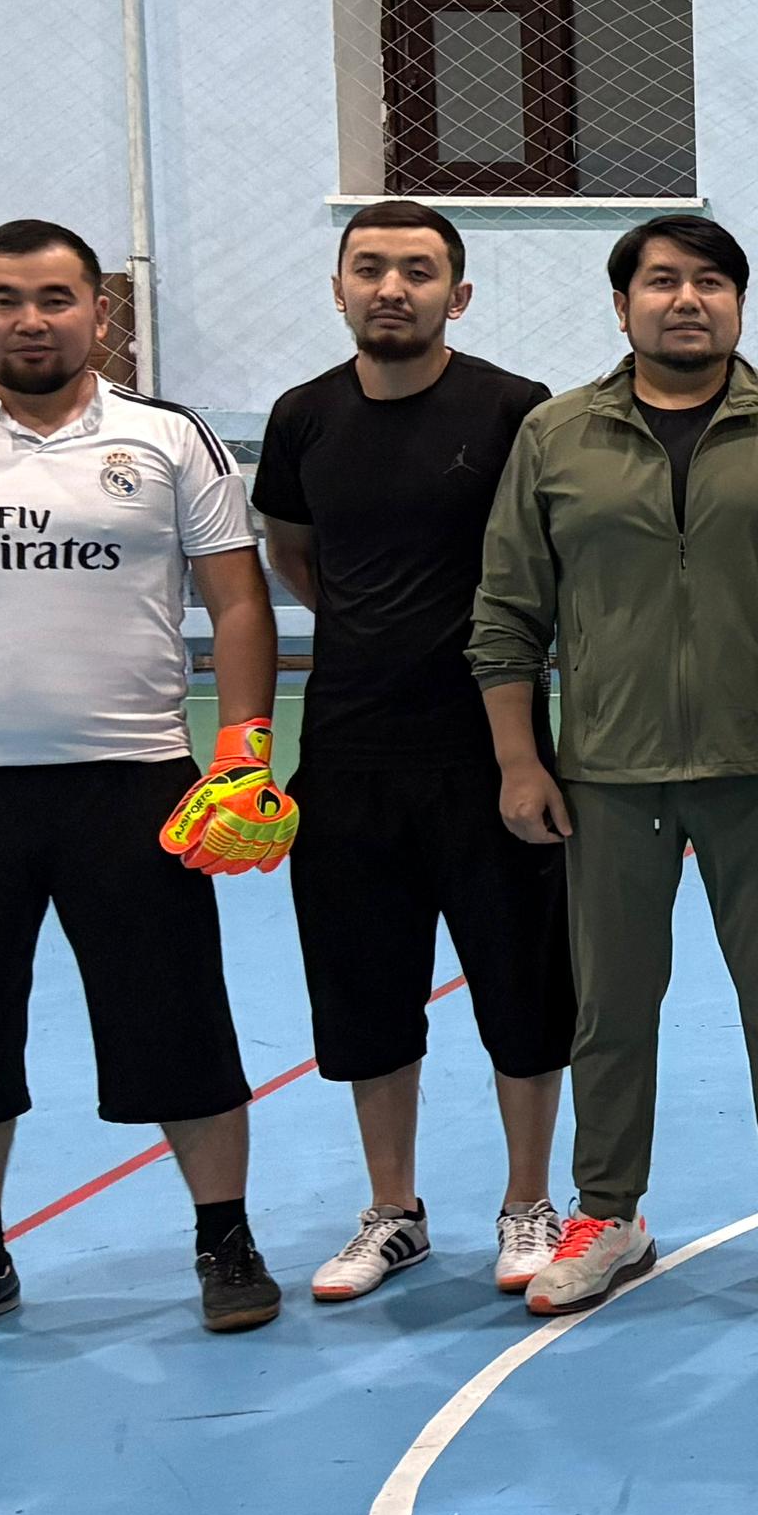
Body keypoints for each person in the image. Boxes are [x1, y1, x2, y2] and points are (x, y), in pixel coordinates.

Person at [0, 220, 292, 1353]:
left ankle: (225, 1240)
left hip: (134, 785)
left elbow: (238, 600)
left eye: (56, 298)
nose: (31, 320)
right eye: (5, 299)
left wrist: (244, 747)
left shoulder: (166, 437)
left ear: (99, 313)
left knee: (179, 1024)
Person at [470, 215, 758, 1316]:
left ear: (738, 302)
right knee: (610, 1007)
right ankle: (609, 1211)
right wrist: (520, 761)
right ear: (622, 305)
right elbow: (506, 613)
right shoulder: (557, 435)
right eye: (660, 281)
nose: (685, 299)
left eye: (709, 281)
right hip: (607, 774)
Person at [257, 200, 575, 1306]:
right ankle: (393, 1212)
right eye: (370, 268)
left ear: (459, 294)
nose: (392, 288)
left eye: (418, 270)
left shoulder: (515, 411)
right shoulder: (303, 418)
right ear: (339, 288)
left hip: (495, 756)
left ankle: (528, 1202)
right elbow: (296, 557)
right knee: (366, 996)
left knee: (523, 991)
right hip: (348, 755)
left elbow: (543, 564)